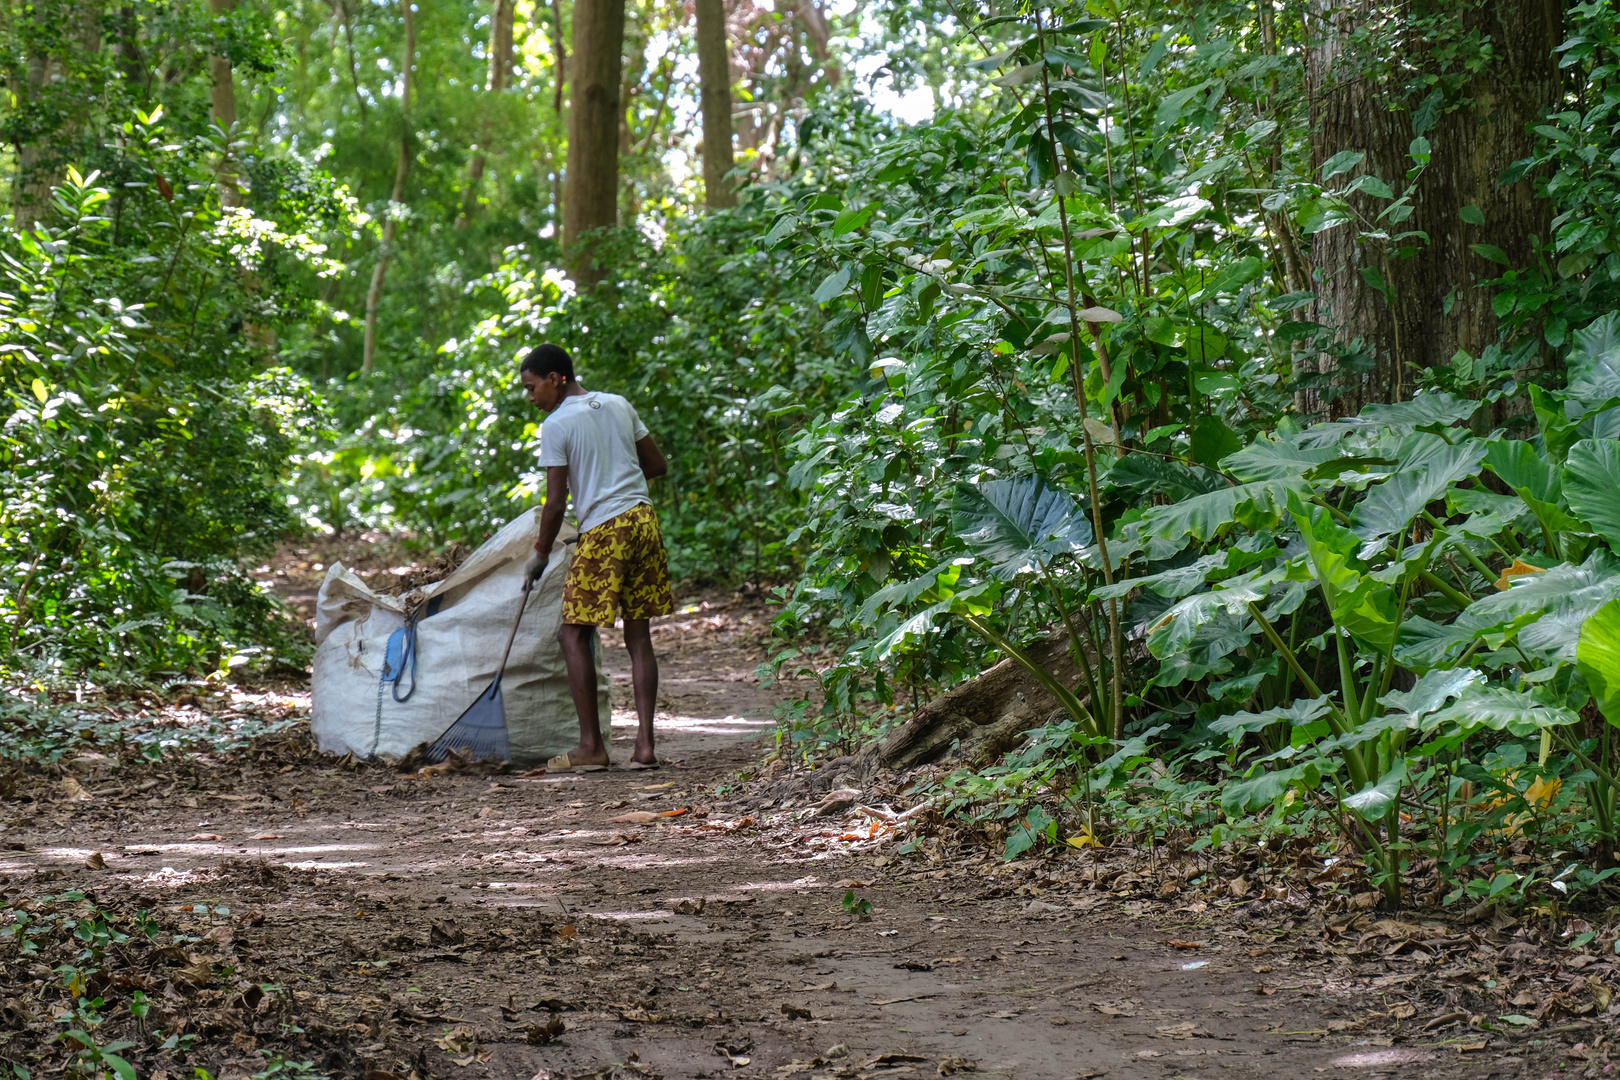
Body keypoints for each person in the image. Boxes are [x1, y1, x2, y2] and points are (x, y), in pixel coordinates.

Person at [519, 343, 671, 772]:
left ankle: (592, 748)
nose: (531, 397)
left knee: (572, 634)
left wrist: (540, 554)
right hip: (643, 521)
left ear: (555, 378)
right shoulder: (619, 405)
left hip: (606, 531)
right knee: (637, 635)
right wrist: (615, 477)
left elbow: (554, 504)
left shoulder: (557, 424)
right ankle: (644, 748)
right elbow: (656, 465)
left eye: (532, 388)